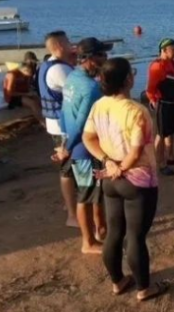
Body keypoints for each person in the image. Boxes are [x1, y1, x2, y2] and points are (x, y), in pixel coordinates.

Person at [82, 57, 168, 302]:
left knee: (114, 233)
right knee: (136, 237)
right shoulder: (137, 111)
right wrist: (120, 167)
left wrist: (107, 161)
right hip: (137, 181)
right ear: (128, 80)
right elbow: (136, 150)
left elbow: (89, 138)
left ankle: (118, 282)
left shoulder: (99, 105)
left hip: (110, 180)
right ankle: (144, 288)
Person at [57, 38, 111, 255]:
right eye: (101, 55)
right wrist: (68, 147)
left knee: (94, 193)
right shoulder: (91, 88)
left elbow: (63, 112)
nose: (105, 59)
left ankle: (100, 229)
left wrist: (63, 142)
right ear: (89, 59)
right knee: (86, 195)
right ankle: (88, 242)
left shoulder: (71, 77)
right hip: (84, 149)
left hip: (74, 144)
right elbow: (81, 123)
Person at [38, 30, 77, 227]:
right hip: (62, 127)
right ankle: (72, 214)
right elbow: (78, 92)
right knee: (68, 168)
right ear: (60, 46)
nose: (72, 45)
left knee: (68, 166)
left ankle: (68, 203)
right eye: (68, 42)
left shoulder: (47, 65)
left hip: (55, 123)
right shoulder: (59, 70)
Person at [146, 38, 174, 176]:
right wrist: (153, 99)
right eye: (173, 49)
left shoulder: (172, 63)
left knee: (171, 131)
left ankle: (171, 156)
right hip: (163, 103)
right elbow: (151, 88)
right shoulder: (157, 66)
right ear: (164, 50)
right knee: (161, 134)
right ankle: (160, 163)